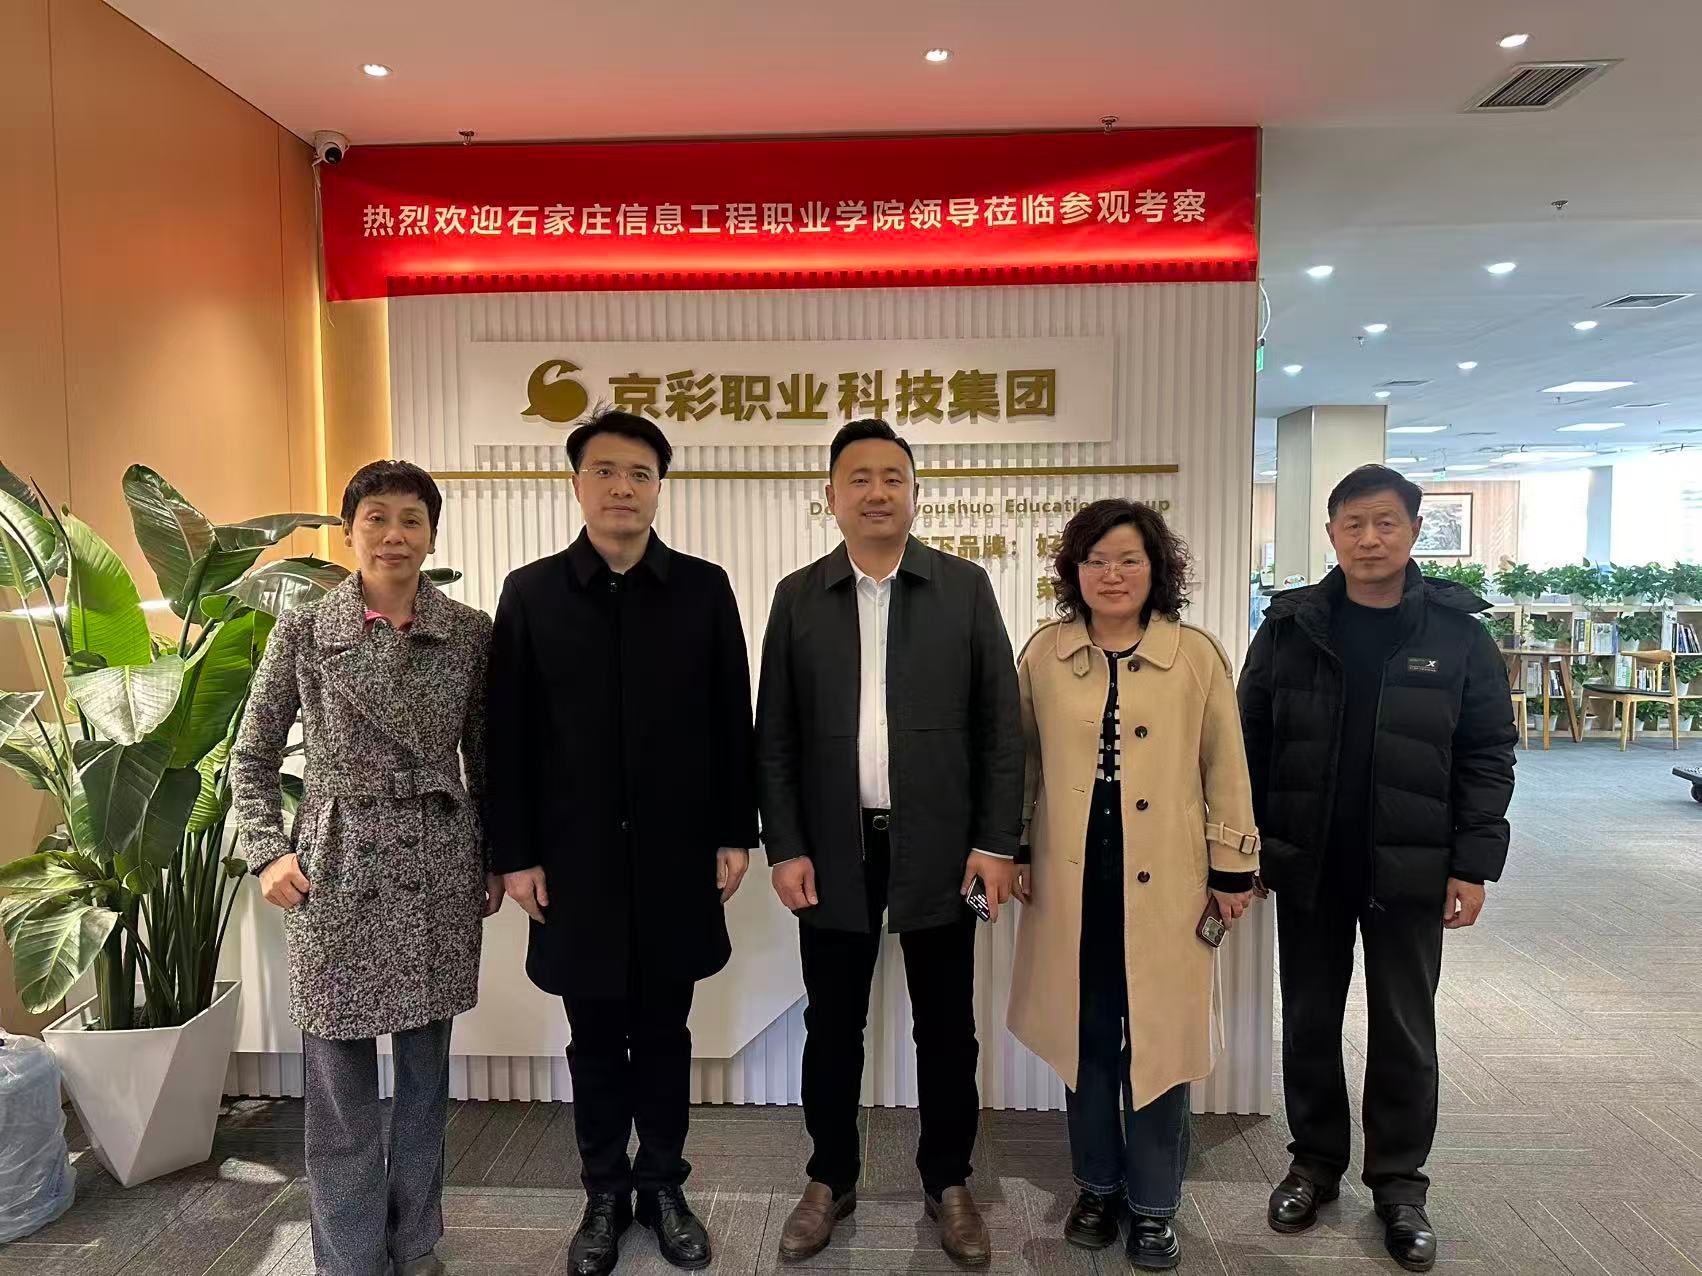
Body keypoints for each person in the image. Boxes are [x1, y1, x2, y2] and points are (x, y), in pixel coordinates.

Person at [483, 409, 759, 1276]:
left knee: (667, 1032)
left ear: (659, 488)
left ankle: (664, 1187)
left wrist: (736, 830)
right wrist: (514, 853)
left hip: (678, 855)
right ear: (577, 484)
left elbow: (732, 719)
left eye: (640, 474)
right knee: (595, 1034)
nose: (622, 488)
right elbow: (506, 736)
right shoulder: (531, 594)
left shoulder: (704, 589)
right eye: (604, 471)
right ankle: (604, 1192)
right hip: (574, 863)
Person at [756, 418, 1023, 1268]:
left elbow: (1001, 728)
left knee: (947, 1026)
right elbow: (775, 738)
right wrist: (784, 846)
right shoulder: (799, 596)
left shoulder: (964, 587)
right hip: (832, 849)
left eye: (893, 478)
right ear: (831, 497)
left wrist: (997, 844)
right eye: (859, 478)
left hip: (946, 848)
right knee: (832, 1026)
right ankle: (828, 1179)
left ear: (916, 493)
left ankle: (950, 1182)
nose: (877, 492)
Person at [1238, 465, 1516, 1274]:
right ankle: (1313, 1164)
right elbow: (1249, 743)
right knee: (1309, 1021)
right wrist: (1249, 849)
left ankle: (1399, 1185)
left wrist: (1474, 864)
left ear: (1415, 531)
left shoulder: (1458, 634)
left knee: (1404, 1029)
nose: (1369, 539)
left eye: (1386, 523)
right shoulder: (1290, 627)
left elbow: (1488, 753)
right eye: (1353, 524)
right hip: (1309, 862)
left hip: (1413, 866)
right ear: (1331, 534)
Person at [231, 460, 501, 1276]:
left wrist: (492, 857)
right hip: (337, 864)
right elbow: (251, 755)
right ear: (350, 532)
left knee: (423, 1082)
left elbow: (488, 760)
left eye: (411, 519)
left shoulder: (470, 632)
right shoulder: (305, 631)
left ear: (432, 535)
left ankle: (415, 1243)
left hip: (436, 860)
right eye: (376, 518)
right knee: (340, 1088)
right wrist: (268, 850)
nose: (394, 535)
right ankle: (350, 1258)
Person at [1006, 499, 1259, 1271]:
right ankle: (1095, 1187)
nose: (1111, 575)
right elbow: (1019, 764)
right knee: (1084, 1036)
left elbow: (1226, 763)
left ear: (1157, 570)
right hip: (1071, 876)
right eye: (1095, 560)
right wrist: (1014, 848)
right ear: (1073, 571)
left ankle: (1154, 1205)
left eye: (1128, 560)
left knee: (1160, 1041)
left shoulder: (1196, 655)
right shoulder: (1043, 654)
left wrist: (1233, 865)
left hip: (1170, 880)